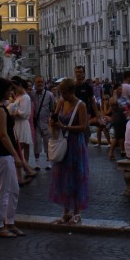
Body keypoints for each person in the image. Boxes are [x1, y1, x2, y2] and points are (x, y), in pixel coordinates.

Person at [0, 77, 27, 238]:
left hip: (3, 153)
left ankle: (10, 222)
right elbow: (3, 135)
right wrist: (16, 155)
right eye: (9, 89)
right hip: (1, 153)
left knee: (13, 190)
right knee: (3, 190)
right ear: (2, 91)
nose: (11, 92)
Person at [48, 78, 89, 225]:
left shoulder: (81, 105)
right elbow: (55, 117)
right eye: (61, 93)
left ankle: (77, 212)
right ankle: (65, 211)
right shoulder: (60, 102)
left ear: (71, 92)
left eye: (64, 93)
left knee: (76, 177)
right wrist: (53, 122)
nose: (62, 96)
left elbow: (84, 127)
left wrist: (65, 127)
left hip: (75, 144)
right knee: (63, 177)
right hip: (63, 142)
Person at [29, 76, 55, 170]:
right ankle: (37, 162)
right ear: (35, 83)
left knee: (48, 142)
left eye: (41, 82)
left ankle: (48, 161)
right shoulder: (32, 94)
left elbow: (52, 108)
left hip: (46, 122)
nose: (39, 83)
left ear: (44, 83)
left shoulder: (50, 95)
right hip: (36, 123)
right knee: (36, 142)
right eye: (38, 82)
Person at [7, 77, 33, 169]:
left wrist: (13, 112)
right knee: (21, 145)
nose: (13, 90)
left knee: (19, 145)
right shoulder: (19, 96)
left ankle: (22, 165)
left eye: (14, 88)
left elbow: (23, 113)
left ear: (20, 86)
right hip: (18, 124)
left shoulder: (25, 97)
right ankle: (25, 166)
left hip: (21, 123)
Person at [72, 65, 100, 131]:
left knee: (85, 131)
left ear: (83, 73)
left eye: (80, 72)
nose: (78, 74)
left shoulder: (88, 86)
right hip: (73, 112)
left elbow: (92, 101)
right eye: (76, 72)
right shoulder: (72, 86)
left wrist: (97, 115)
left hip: (84, 113)